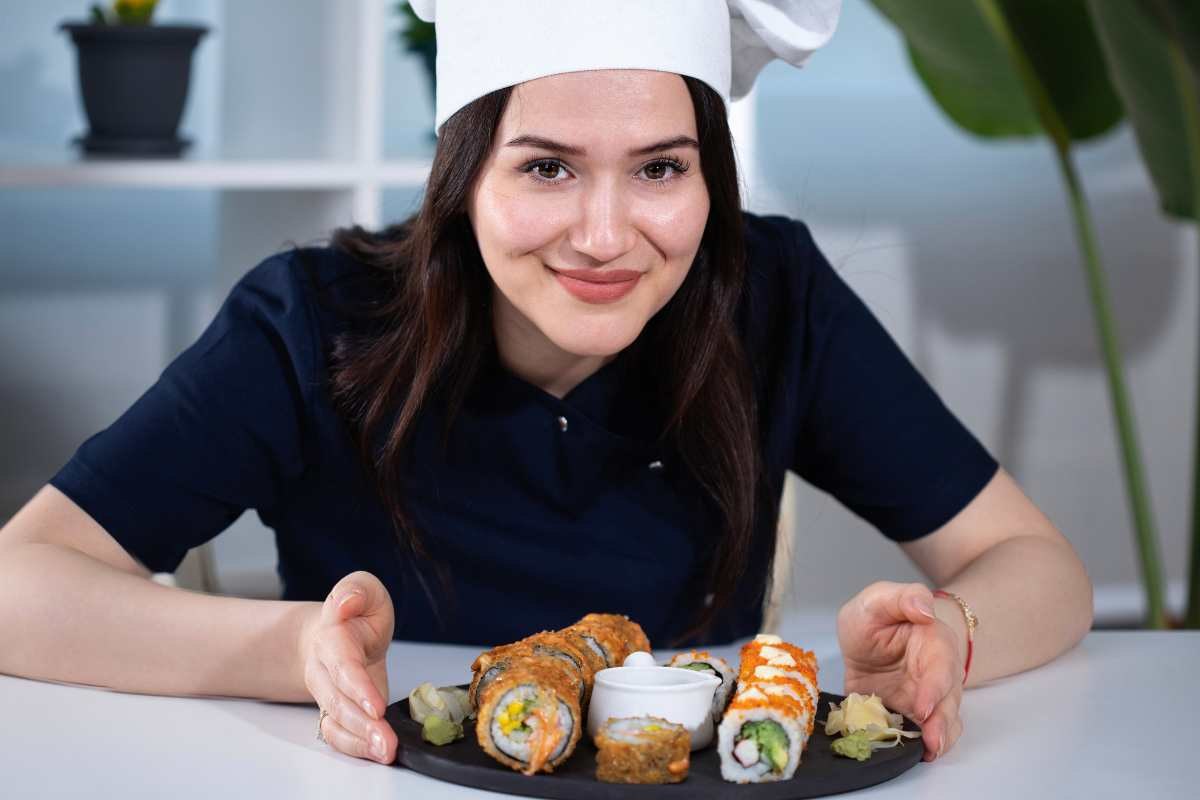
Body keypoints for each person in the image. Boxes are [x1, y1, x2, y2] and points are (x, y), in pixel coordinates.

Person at [0, 0, 1092, 771]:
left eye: (662, 167)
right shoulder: (312, 320)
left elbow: (1039, 567)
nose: (607, 236)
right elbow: (19, 585)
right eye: (547, 166)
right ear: (463, 172)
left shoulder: (773, 296)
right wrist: (293, 649)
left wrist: (949, 630)